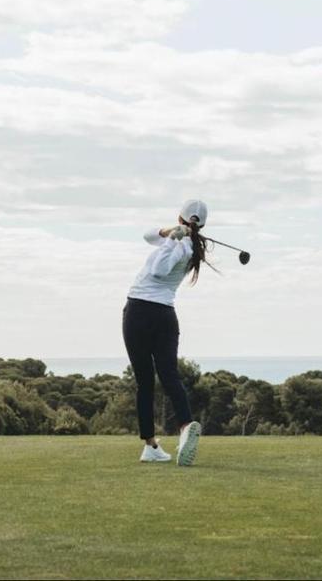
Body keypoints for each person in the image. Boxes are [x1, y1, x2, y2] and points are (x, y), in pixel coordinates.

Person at [122, 198, 214, 466]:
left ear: (180, 217)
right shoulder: (183, 242)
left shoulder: (184, 248)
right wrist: (168, 233)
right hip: (162, 315)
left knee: (147, 380)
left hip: (140, 312)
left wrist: (174, 239)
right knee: (166, 375)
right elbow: (147, 234)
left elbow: (158, 270)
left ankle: (161, 439)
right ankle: (174, 432)